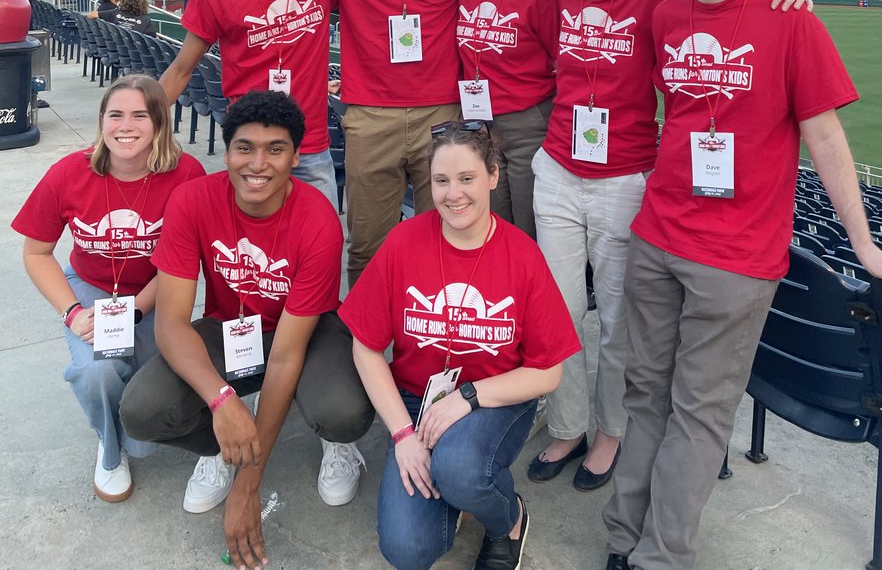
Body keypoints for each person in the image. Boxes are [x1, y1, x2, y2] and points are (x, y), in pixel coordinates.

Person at [602, 0, 882, 570]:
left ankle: (658, 557)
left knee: (699, 413)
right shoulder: (667, 15)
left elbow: (825, 138)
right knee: (644, 394)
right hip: (658, 238)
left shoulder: (790, 17)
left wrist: (860, 240)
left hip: (735, 261)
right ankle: (622, 538)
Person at [527, 0, 809, 494]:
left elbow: (720, 3)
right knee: (560, 311)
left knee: (620, 323)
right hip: (557, 170)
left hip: (626, 177)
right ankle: (568, 422)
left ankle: (610, 433)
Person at [183, 0, 479, 285]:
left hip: (441, 109)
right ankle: (363, 348)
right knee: (367, 247)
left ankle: (427, 342)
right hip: (369, 113)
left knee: (445, 236)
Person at [119, 91, 374, 570]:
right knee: (143, 411)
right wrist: (222, 400)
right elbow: (172, 322)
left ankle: (334, 446)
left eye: (276, 149)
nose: (258, 163)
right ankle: (223, 445)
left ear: (297, 156)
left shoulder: (318, 218)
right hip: (229, 326)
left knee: (342, 412)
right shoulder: (193, 200)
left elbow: (285, 355)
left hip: (305, 332)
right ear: (227, 148)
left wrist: (249, 484)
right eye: (244, 147)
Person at [340, 121, 581, 570]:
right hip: (417, 401)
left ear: (492, 175)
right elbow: (366, 346)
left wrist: (467, 398)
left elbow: (548, 371)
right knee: (408, 550)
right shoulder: (404, 242)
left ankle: (506, 519)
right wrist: (403, 436)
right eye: (441, 181)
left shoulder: (522, 255)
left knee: (461, 469)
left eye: (467, 178)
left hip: (496, 400)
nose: (453, 195)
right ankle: (456, 487)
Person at [11, 75, 205, 502]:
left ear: (159, 122)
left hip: (160, 290)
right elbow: (36, 253)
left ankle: (130, 432)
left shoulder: (186, 174)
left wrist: (136, 309)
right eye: (115, 114)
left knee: (150, 415)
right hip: (92, 286)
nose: (126, 125)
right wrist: (73, 313)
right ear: (101, 122)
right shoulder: (68, 172)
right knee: (96, 371)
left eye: (140, 114)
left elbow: (183, 263)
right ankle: (109, 445)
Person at [161, 0, 339, 211]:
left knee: (321, 250)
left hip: (310, 147)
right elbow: (181, 69)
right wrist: (143, 124)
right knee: (253, 254)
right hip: (249, 147)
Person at [456, 0, 558, 238]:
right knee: (491, 224)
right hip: (478, 124)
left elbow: (559, 58)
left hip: (527, 123)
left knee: (529, 227)